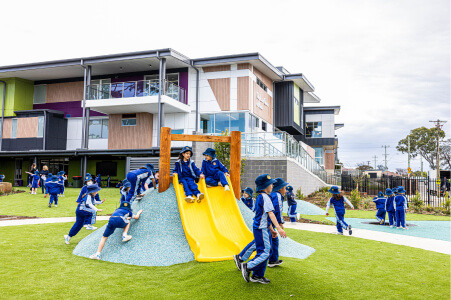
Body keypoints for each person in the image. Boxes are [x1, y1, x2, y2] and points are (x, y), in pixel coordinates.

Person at [234, 174, 287, 284]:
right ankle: (248, 266)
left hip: (262, 228)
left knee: (265, 250)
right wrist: (278, 228)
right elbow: (271, 214)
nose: (272, 185)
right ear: (265, 186)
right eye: (271, 184)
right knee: (265, 252)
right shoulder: (265, 197)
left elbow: (264, 215)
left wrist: (271, 229)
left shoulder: (260, 197)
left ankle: (257, 276)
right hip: (261, 228)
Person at [268, 178, 289, 268]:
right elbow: (278, 209)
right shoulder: (277, 195)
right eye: (285, 188)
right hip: (269, 222)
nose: (286, 190)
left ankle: (273, 260)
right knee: (262, 242)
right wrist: (280, 223)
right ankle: (241, 257)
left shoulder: (273, 194)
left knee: (273, 240)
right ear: (280, 188)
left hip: (270, 222)